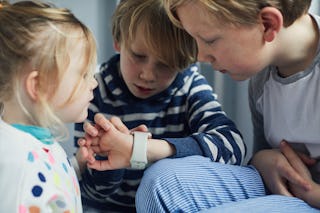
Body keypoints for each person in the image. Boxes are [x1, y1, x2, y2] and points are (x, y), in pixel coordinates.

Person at [123, 0, 319, 212]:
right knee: (161, 183)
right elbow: (261, 157)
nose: (200, 56)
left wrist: (313, 194)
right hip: (286, 190)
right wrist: (264, 160)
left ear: (268, 24)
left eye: (209, 40)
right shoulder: (263, 78)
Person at [73, 0, 246, 212]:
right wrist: (107, 157)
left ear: (186, 60)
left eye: (165, 64)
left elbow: (233, 146)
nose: (148, 75)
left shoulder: (189, 86)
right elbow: (90, 191)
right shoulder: (94, 90)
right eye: (138, 56)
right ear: (118, 41)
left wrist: (144, 149)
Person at [0, 0, 98, 212]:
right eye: (83, 74)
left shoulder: (31, 144)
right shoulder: (23, 169)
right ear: (38, 86)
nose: (94, 83)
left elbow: (49, 187)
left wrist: (76, 166)